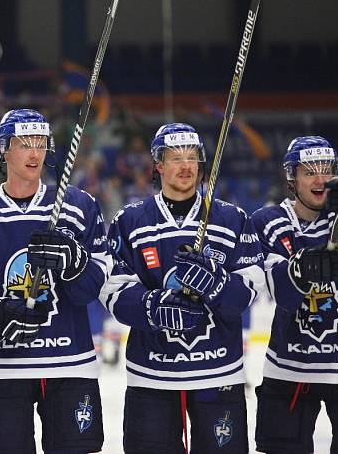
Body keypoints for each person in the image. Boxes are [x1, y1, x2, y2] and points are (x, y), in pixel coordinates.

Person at [0, 109, 111, 453]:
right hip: (0, 368)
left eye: (41, 143)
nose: (35, 153)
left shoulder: (78, 206)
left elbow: (93, 285)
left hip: (70, 364)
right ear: (4, 149)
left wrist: (75, 263)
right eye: (24, 144)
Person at [99, 123, 267, 453]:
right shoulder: (131, 220)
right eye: (176, 158)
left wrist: (217, 283)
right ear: (158, 165)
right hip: (151, 377)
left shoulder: (231, 218)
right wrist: (153, 306)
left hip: (218, 375)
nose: (186, 166)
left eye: (192, 157)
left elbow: (251, 289)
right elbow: (112, 289)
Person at [250, 136, 338, 453]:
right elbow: (282, 293)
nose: (320, 179)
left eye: (326, 169)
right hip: (289, 367)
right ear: (291, 178)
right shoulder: (267, 222)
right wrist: (302, 269)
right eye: (308, 171)